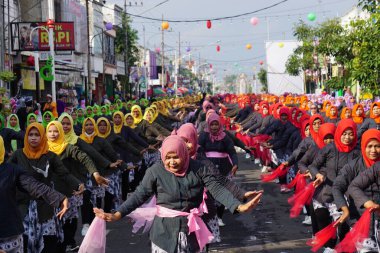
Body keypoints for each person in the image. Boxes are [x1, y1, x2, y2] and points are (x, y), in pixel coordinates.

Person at [94, 135, 263, 253]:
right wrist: (117, 214)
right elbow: (139, 195)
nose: (172, 162)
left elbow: (217, 189)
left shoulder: (199, 168)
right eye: (168, 157)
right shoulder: (155, 171)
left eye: (176, 157)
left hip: (193, 230)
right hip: (163, 233)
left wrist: (238, 206)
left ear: (183, 154)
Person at [9, 123, 81, 253]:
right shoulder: (18, 155)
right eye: (30, 134)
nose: (33, 138)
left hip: (46, 205)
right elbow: (7, 174)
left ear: (42, 137)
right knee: (25, 243)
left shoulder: (50, 156)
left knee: (49, 242)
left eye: (37, 135)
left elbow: (64, 173)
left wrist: (78, 184)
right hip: (23, 207)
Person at [0, 135, 69, 253]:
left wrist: (60, 198)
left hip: (9, 234)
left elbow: (34, 186)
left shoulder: (11, 170)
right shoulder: (18, 156)